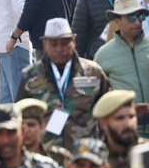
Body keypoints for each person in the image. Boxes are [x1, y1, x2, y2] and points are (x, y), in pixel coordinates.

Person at [17, 18, 110, 150]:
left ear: (74, 41)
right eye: (54, 44)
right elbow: (20, 116)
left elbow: (108, 112)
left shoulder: (93, 72)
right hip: (45, 154)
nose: (60, 49)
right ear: (45, 44)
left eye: (65, 43)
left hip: (86, 155)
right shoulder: (30, 76)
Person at [94, 0, 149, 138]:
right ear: (117, 21)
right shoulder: (103, 55)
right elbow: (97, 97)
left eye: (140, 16)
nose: (137, 22)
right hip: (123, 133)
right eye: (130, 17)